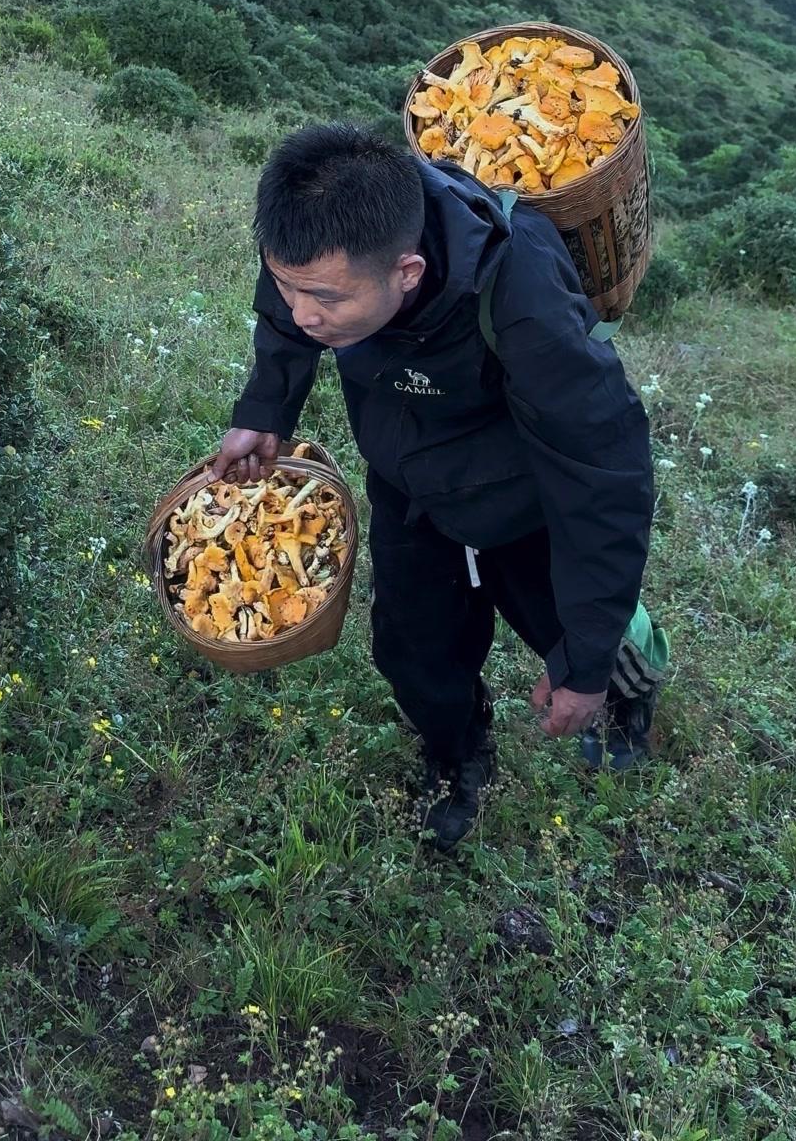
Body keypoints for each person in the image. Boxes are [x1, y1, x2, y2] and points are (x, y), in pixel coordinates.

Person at [214, 123, 668, 849]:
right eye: (289, 284)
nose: (305, 314)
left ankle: (624, 701)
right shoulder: (323, 246)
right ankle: (458, 756)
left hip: (525, 504)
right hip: (412, 488)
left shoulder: (524, 303)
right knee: (412, 651)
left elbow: (603, 480)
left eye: (325, 298)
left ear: (409, 272)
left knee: (587, 638)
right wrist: (266, 410)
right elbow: (283, 314)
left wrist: (582, 668)